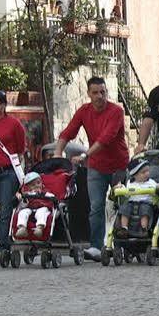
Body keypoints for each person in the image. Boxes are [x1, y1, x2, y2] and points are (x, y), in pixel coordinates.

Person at [55, 77, 129, 260]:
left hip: (118, 165)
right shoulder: (84, 111)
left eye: (102, 92)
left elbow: (106, 138)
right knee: (96, 206)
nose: (99, 96)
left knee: (122, 205)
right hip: (96, 167)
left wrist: (86, 155)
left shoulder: (116, 111)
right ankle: (96, 246)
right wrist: (58, 153)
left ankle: (123, 244)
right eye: (95, 92)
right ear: (88, 94)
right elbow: (68, 132)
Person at [0, 91, 26, 253]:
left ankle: (3, 247)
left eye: (0, 103)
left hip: (8, 173)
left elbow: (21, 151)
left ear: (4, 105)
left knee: (5, 210)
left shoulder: (14, 124)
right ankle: (3, 238)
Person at [117, 161, 158, 237]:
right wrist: (120, 188)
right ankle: (124, 228)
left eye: (148, 171)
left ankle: (144, 228)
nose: (147, 174)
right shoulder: (130, 183)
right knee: (124, 207)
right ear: (135, 175)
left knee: (145, 210)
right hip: (132, 202)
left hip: (145, 202)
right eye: (143, 172)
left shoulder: (151, 182)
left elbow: (157, 187)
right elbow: (126, 193)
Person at [13, 172, 52, 240]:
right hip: (30, 208)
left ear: (41, 182)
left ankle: (39, 228)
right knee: (23, 212)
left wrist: (47, 196)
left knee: (41, 212)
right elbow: (23, 206)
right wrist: (21, 198)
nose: (36, 185)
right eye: (33, 185)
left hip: (42, 208)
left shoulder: (45, 192)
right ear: (28, 187)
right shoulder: (27, 194)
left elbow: (52, 198)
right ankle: (22, 228)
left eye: (38, 183)